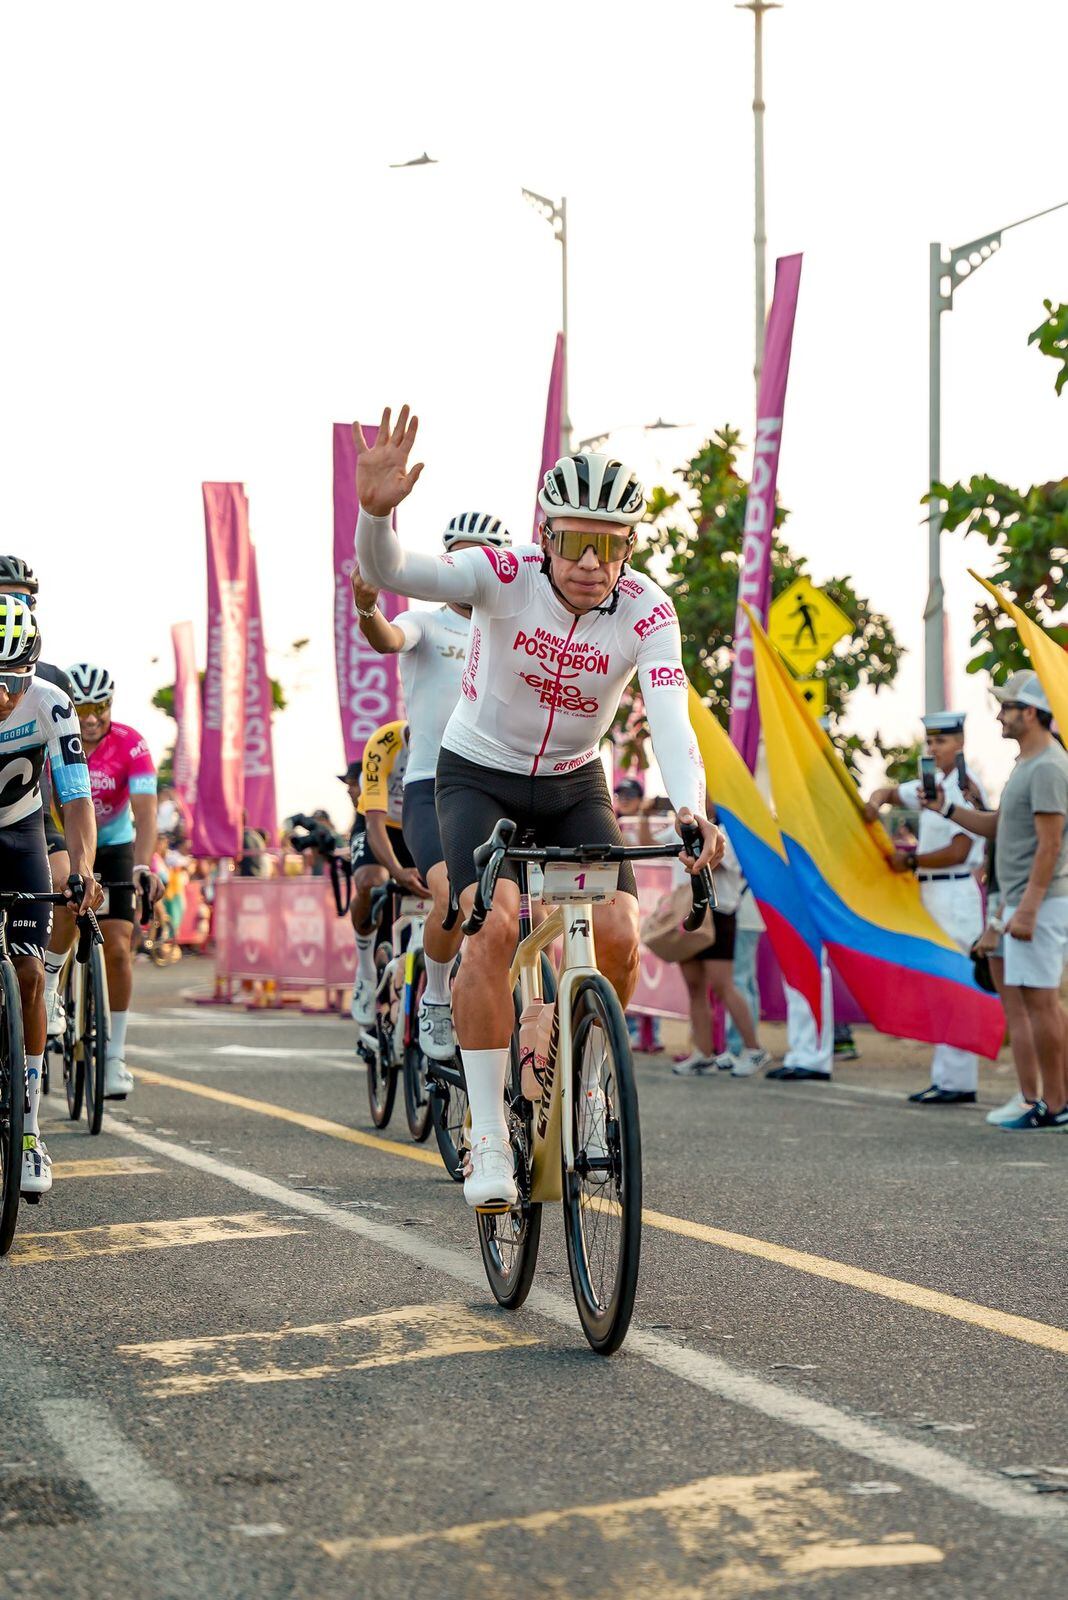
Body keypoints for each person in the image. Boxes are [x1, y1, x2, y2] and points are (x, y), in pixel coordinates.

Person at [354, 406, 722, 1210]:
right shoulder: (501, 574)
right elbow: (391, 570)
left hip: (571, 783)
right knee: (490, 920)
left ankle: (584, 1089)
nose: (592, 563)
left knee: (621, 930)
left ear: (630, 548)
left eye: (611, 544)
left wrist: (689, 811)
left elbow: (670, 717)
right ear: (545, 535)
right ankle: (488, 1133)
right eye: (574, 541)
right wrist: (375, 510)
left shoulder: (648, 613)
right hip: (475, 773)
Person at [350, 508, 514, 1061]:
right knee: (449, 895)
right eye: (460, 556)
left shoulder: (517, 626)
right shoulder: (428, 620)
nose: (471, 567)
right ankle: (437, 999)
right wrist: (368, 607)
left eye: (484, 556)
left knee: (523, 911)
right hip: (432, 783)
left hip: (502, 783)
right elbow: (389, 638)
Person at [928, 671, 1068, 1129]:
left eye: (1007, 707)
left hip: (1037, 904)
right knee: (1025, 1005)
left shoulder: (1048, 765)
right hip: (1018, 901)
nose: (1000, 715)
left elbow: (1050, 846)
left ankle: (1056, 1104)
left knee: (1042, 1003)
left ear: (1030, 712)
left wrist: (1026, 908)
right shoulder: (1028, 764)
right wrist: (947, 809)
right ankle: (1037, 1100)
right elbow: (999, 828)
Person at [0, 598, 100, 1196]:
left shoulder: (51, 703)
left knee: (32, 974)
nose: (6, 695)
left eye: (14, 680)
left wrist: (83, 868)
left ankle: (31, 1132)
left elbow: (77, 797)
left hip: (22, 832)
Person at [47, 663, 162, 1100]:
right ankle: (54, 993)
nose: (91, 717)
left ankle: (114, 1058)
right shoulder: (55, 733)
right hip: (65, 841)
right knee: (61, 912)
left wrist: (142, 864)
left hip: (115, 847)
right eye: (82, 706)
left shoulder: (131, 744)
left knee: (116, 947)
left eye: (100, 706)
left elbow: (147, 812)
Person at [866, 710, 987, 1104]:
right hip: (931, 894)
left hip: (954, 893)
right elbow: (887, 793)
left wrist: (913, 860)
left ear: (960, 743)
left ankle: (959, 1081)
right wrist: (873, 803)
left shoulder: (967, 788)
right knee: (938, 985)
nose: (934, 748)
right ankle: (947, 1077)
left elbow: (960, 849)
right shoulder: (928, 784)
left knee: (955, 982)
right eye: (931, 742)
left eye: (942, 741)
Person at [348, 718, 429, 1026]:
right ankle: (366, 970)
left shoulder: (446, 744)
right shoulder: (385, 744)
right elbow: (374, 822)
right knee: (371, 881)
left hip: (417, 827)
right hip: (380, 826)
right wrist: (396, 870)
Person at [672, 829, 770, 1077]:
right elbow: (651, 841)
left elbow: (714, 862)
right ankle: (704, 1055)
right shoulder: (680, 828)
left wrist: (692, 855)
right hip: (686, 910)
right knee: (694, 986)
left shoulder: (724, 831)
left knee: (723, 985)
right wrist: (642, 815)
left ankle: (754, 1049)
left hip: (719, 913)